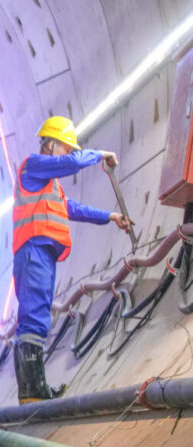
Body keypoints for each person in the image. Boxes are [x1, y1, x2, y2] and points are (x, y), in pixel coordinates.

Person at [13, 116, 133, 403]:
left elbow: (72, 209)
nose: (68, 153)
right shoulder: (33, 165)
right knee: (33, 318)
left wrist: (110, 217)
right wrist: (100, 154)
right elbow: (72, 163)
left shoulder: (50, 185)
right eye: (65, 147)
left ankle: (36, 389)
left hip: (42, 253)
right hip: (32, 250)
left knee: (39, 317)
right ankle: (31, 392)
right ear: (50, 144)